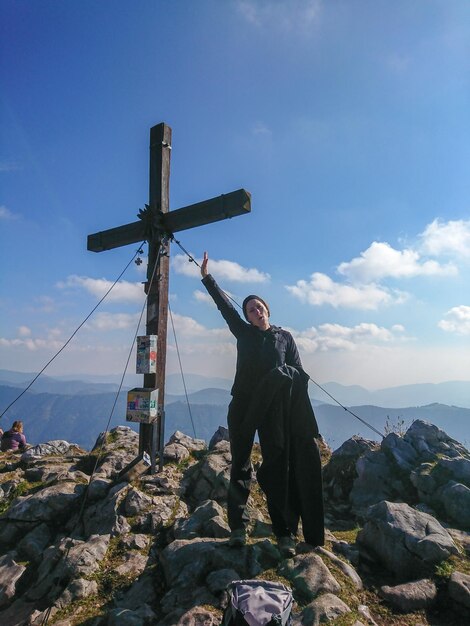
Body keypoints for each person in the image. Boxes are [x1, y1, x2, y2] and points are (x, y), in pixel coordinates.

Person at [201, 252, 324, 556]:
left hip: (274, 411)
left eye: (259, 306)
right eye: (250, 310)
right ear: (247, 317)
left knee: (277, 467)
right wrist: (207, 279)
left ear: (267, 309)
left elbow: (299, 373)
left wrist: (281, 377)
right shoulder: (243, 333)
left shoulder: (285, 338)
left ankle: (284, 532)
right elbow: (224, 307)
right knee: (240, 465)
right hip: (243, 406)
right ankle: (239, 529)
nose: (256, 311)